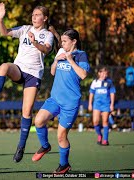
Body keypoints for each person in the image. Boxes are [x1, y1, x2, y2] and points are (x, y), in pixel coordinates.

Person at [0, 2, 55, 163]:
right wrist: (0, 19)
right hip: (19, 69)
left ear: (45, 18)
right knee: (4, 66)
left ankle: (21, 147)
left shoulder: (47, 34)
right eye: (33, 15)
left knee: (26, 112)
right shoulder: (25, 28)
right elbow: (5, 32)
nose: (34, 17)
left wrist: (35, 42)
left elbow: (46, 50)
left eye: (37, 15)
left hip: (33, 75)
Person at [31, 28, 90, 173]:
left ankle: (64, 165)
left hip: (70, 102)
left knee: (61, 136)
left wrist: (70, 59)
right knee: (38, 121)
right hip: (55, 99)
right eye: (61, 41)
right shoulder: (60, 52)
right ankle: (45, 146)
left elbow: (83, 75)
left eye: (65, 41)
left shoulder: (81, 55)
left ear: (74, 41)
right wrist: (56, 60)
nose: (62, 44)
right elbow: (52, 72)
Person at [88, 66, 116, 146]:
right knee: (95, 121)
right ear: (99, 73)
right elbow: (91, 93)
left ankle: (105, 140)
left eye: (106, 73)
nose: (104, 75)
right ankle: (99, 135)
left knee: (105, 121)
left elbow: (112, 93)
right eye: (102, 73)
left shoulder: (109, 82)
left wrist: (112, 104)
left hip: (106, 105)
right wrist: (90, 104)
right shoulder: (95, 82)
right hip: (97, 104)